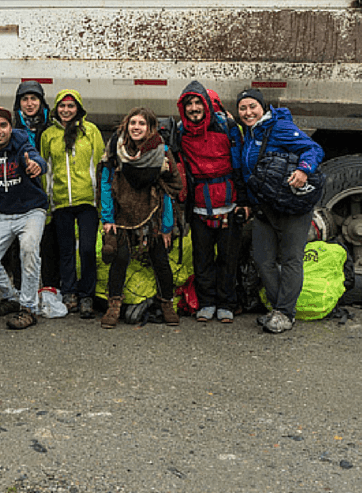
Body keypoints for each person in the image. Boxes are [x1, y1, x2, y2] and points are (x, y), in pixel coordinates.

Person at [234, 88, 324, 334]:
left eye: (253, 106)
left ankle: (285, 313)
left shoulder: (279, 128)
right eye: (243, 108)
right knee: (264, 260)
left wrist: (304, 170)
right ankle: (278, 309)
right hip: (265, 208)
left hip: (292, 207)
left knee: (291, 259)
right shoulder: (249, 134)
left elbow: (313, 149)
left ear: (263, 107)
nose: (248, 112)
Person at [99, 108, 183, 329]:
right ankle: (114, 305)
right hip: (122, 216)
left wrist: (166, 227)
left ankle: (167, 304)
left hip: (152, 216)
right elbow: (106, 184)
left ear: (151, 128)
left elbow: (169, 191)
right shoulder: (115, 150)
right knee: (119, 258)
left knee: (161, 261)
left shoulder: (162, 153)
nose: (136, 127)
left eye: (142, 123)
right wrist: (107, 219)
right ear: (126, 125)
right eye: (132, 122)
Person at [0, 107, 49, 330]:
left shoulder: (21, 144)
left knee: (28, 248)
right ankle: (12, 296)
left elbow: (36, 159)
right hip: (4, 214)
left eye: (3, 125)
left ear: (10, 128)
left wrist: (37, 165)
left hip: (32, 210)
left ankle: (28, 309)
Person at [175, 81, 241, 323]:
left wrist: (243, 200)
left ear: (205, 104)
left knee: (227, 258)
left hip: (228, 204)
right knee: (202, 259)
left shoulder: (227, 127)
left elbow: (239, 165)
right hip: (200, 206)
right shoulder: (180, 131)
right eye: (189, 104)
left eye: (197, 103)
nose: (194, 108)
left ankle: (226, 304)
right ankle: (207, 303)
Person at [40, 89, 105, 319]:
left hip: (87, 201)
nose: (66, 111)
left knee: (87, 249)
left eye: (70, 106)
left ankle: (87, 294)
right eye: (62, 106)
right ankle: (69, 292)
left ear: (78, 108)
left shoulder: (92, 131)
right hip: (61, 202)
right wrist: (48, 206)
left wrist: (102, 203)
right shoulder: (48, 135)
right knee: (65, 250)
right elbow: (46, 172)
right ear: (56, 109)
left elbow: (100, 166)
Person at [9, 81, 61, 300]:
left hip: (47, 190)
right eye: (25, 99)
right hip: (19, 192)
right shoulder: (12, 128)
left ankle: (50, 287)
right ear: (18, 103)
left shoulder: (53, 127)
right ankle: (20, 289)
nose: (29, 104)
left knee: (49, 240)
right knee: (19, 242)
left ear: (41, 101)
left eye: (34, 99)